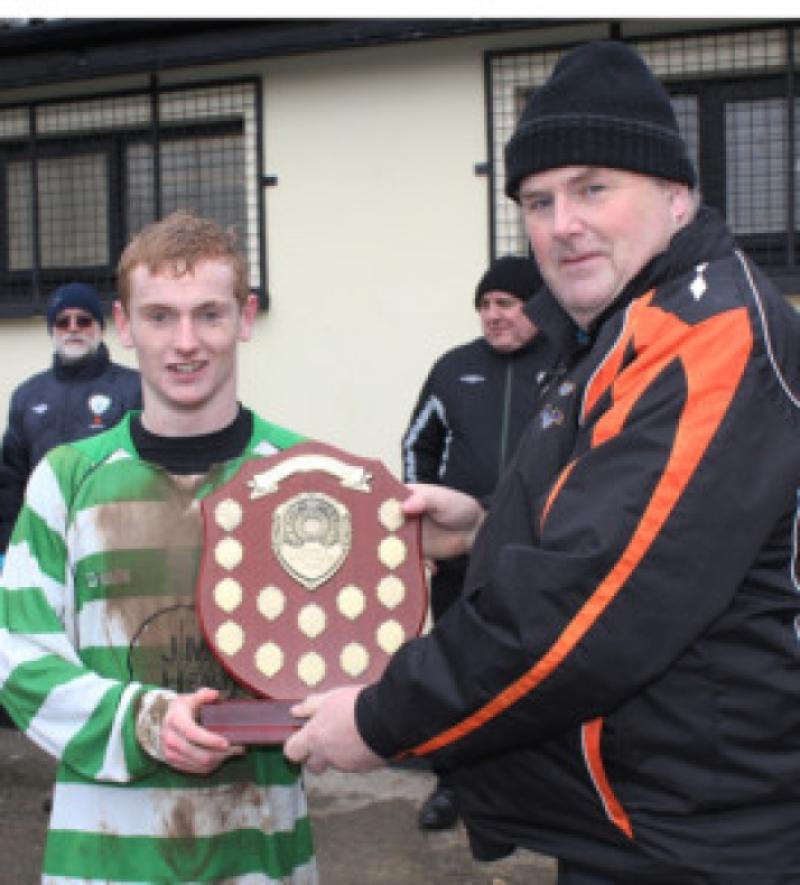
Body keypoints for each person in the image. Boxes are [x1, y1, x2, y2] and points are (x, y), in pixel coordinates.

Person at [283, 41, 800, 885]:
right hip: (630, 821)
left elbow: (585, 608)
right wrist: (485, 525)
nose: (564, 224)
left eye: (596, 187)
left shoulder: (707, 336)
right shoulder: (618, 331)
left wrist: (380, 718)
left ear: (676, 195)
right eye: (539, 199)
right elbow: (638, 537)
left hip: (694, 842)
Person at [0, 211, 316, 883]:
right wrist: (145, 721)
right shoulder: (64, 479)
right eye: (159, 316)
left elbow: (346, 653)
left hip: (260, 855)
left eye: (209, 313)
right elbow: (17, 654)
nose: (185, 342)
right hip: (103, 858)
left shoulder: (304, 477)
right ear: (123, 324)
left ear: (246, 315)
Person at [402, 254, 556, 830]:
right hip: (459, 555)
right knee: (456, 663)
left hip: (539, 551)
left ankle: (537, 790)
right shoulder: (453, 369)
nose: (493, 315)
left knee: (536, 666)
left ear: (536, 306)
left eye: (506, 304)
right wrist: (423, 529)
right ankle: (454, 785)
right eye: (486, 305)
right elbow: (418, 444)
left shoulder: (570, 365)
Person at [0, 281, 142, 559]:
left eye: (84, 320)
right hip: (43, 542)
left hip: (112, 542)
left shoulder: (134, 389)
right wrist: (8, 545)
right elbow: (11, 479)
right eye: (63, 322)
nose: (73, 328)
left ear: (100, 328)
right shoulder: (27, 396)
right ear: (53, 331)